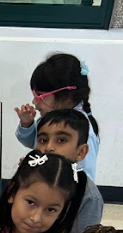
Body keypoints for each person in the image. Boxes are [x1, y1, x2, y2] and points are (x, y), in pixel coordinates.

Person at [15, 53, 101, 181]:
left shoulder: (84, 134)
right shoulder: (51, 119)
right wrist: (27, 124)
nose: (34, 101)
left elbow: (85, 181)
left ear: (65, 96)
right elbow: (33, 142)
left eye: (41, 95)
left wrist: (39, 173)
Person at [34, 108, 103, 233]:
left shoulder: (89, 197)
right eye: (43, 140)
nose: (48, 147)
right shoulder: (31, 177)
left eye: (61, 140)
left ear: (80, 152)